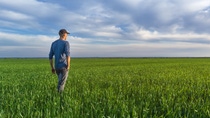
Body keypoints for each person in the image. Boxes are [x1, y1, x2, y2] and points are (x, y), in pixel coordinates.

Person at [49, 29, 71, 93]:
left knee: (60, 82)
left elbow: (50, 57)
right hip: (64, 66)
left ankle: (56, 95)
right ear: (63, 34)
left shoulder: (54, 43)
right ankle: (59, 97)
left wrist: (52, 68)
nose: (67, 35)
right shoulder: (66, 43)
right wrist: (68, 66)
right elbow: (68, 55)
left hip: (57, 67)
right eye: (66, 34)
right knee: (61, 84)